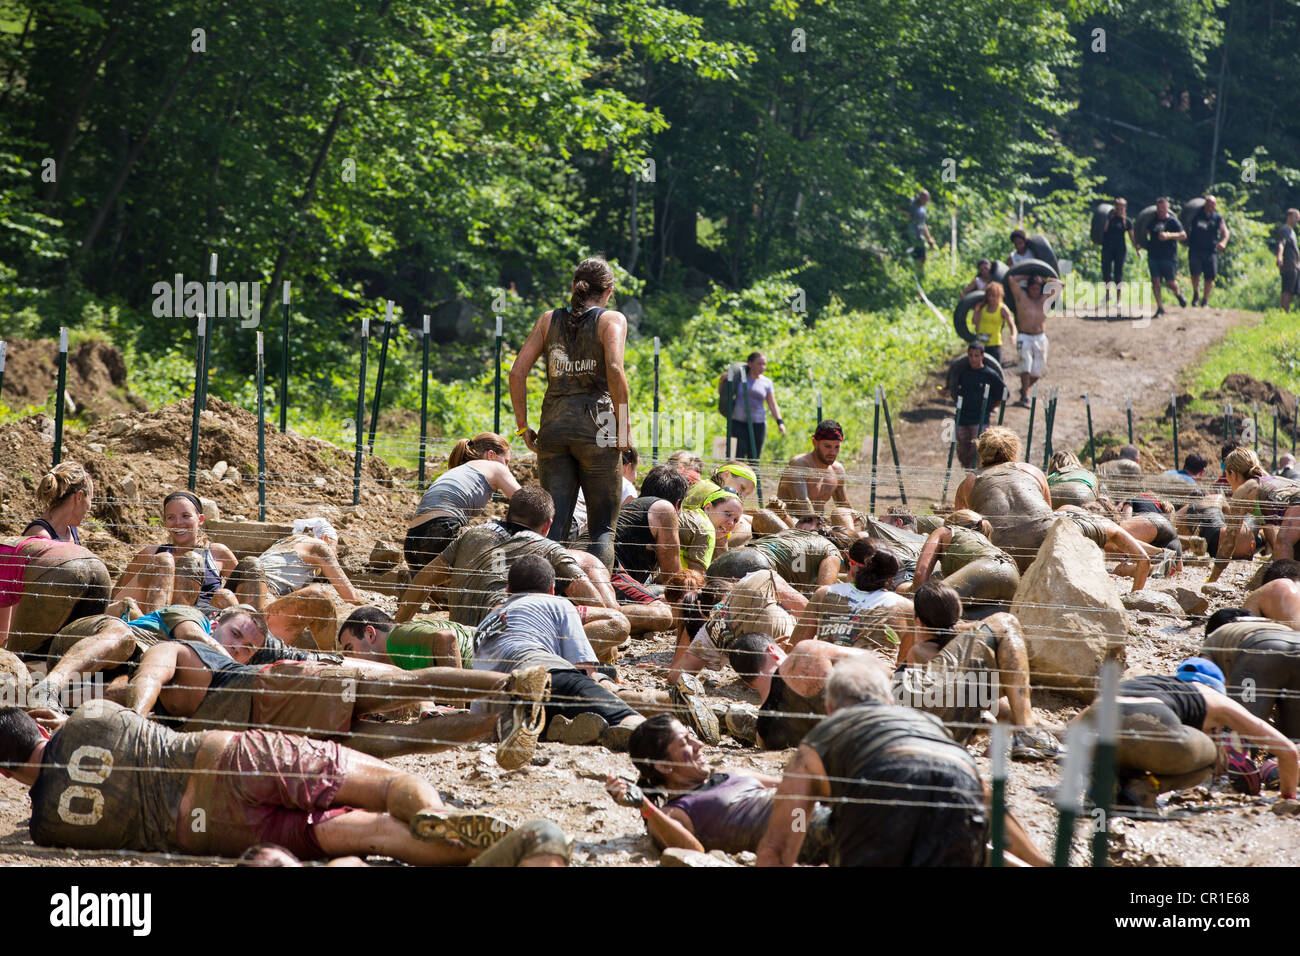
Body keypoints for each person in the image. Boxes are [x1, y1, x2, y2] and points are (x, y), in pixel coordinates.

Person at [0, 700, 568, 865]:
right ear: (40, 724)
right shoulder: (89, 716)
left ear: (5, 772)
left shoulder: (47, 828)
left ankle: (458, 851)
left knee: (365, 834)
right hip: (222, 759)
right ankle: (436, 813)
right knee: (386, 784)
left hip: (204, 831)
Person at [120, 604, 551, 767]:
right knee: (397, 742)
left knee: (400, 690)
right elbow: (123, 692)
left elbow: (146, 680)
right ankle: (505, 721)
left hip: (275, 692)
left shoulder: (174, 650)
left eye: (246, 641)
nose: (240, 647)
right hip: (278, 734)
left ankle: (515, 684)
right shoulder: (170, 705)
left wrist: (131, 725)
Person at [756, 659, 1049, 866]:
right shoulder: (929, 724)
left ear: (830, 708)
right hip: (960, 794)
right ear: (890, 702)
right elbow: (986, 797)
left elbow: (779, 846)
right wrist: (1036, 859)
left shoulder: (821, 738)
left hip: (881, 810)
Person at [472, 556, 715, 750]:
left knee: (568, 702)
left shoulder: (486, 623)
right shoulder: (558, 604)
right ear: (553, 588)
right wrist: (603, 686)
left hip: (499, 704)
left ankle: (559, 728)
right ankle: (661, 738)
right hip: (542, 672)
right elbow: (584, 669)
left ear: (507, 590)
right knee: (616, 708)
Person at [395, 486, 635, 660]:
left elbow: (425, 578)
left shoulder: (472, 534)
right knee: (617, 622)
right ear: (548, 525)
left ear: (507, 514)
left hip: (463, 646)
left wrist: (399, 623)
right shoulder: (549, 548)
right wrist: (607, 653)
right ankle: (553, 661)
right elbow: (594, 601)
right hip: (512, 651)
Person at [509, 257, 630, 569]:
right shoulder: (611, 320)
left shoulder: (549, 320)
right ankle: (597, 594)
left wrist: (523, 427)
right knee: (603, 528)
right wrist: (623, 428)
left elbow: (517, 372)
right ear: (610, 290)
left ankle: (548, 588)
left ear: (574, 286)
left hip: (554, 425)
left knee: (556, 521)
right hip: (599, 426)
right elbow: (615, 369)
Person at [1072, 657, 1298, 809]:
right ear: (1217, 687)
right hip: (1150, 722)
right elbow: (1287, 751)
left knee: (1129, 746)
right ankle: (1144, 788)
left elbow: (1073, 729)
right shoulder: (1215, 699)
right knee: (1213, 755)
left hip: (1096, 723)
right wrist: (1287, 799)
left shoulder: (1146, 682)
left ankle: (1107, 780)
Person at [605, 714, 831, 860]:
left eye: (691, 736)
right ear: (664, 766)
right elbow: (692, 852)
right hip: (803, 831)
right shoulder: (673, 813)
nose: (699, 744)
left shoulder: (732, 772)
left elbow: (803, 788)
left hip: (814, 816)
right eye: (685, 743)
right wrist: (644, 805)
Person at [896, 581, 1060, 759]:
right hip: (938, 721)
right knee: (1008, 700)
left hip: (932, 722)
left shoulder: (922, 650)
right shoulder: (929, 651)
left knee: (1006, 708)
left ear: (918, 620)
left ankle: (1040, 735)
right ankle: (1029, 732)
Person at [225, 522, 359, 651]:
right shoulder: (320, 546)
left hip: (244, 598)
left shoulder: (282, 544)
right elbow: (351, 597)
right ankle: (330, 659)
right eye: (335, 550)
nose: (335, 555)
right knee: (319, 597)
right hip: (265, 600)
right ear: (325, 538)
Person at [404, 433, 520, 575]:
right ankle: (499, 588)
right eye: (506, 462)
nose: (507, 468)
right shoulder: (496, 467)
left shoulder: (460, 470)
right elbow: (528, 503)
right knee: (500, 543)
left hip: (412, 545)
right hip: (442, 535)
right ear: (491, 455)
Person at [668, 566, 807, 683]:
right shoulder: (751, 581)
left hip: (762, 666)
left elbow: (674, 676)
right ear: (730, 586)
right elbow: (806, 609)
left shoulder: (709, 632)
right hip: (791, 643)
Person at [112, 491, 237, 618]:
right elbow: (116, 596)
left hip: (207, 622)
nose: (178, 522)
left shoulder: (218, 553)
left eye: (185, 516)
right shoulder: (152, 554)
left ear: (200, 519)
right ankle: (156, 625)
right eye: (171, 517)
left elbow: (241, 595)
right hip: (160, 622)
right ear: (165, 522)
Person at [953, 427, 1055, 572]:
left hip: (998, 559)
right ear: (1014, 450)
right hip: (1044, 549)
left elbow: (960, 529)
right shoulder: (1033, 471)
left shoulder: (969, 482)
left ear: (981, 451)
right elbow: (1048, 512)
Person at [790, 540, 914, 652]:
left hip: (828, 673)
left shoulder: (824, 594)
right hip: (877, 674)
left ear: (852, 566)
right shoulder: (905, 607)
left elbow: (795, 647)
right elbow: (905, 661)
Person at [0, 536, 111, 661]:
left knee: (19, 659)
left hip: (59, 570)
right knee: (77, 655)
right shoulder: (10, 545)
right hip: (97, 566)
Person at [1202, 607, 1300, 740]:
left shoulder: (1214, 637)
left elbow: (1204, 685)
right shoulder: (1273, 626)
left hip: (1260, 650)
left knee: (1242, 731)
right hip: (1296, 640)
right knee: (1294, 740)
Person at [1209, 447, 1300, 580]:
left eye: (1226, 475)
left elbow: (1229, 542)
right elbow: (1269, 529)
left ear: (1232, 473)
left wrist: (1212, 579)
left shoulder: (1243, 493)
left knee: (1283, 543)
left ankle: (1288, 592)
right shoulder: (1268, 479)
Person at [913, 510, 1019, 609]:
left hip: (987, 567)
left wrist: (916, 600)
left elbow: (920, 574)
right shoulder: (983, 542)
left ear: (950, 524)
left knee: (927, 603)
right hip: (1012, 571)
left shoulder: (945, 531)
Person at [338, 605, 477, 671]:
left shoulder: (394, 638)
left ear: (370, 634)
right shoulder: (397, 655)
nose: (349, 659)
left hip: (489, 662)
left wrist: (457, 703)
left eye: (349, 649)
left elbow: (446, 638)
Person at [1055, 505, 1153, 591]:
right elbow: (1144, 560)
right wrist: (1134, 596)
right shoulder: (1112, 528)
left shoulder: (1067, 507)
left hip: (1047, 530)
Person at [775, 420, 852, 525]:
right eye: (827, 446)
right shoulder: (800, 464)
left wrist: (864, 520)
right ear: (815, 443)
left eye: (837, 447)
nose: (833, 452)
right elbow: (803, 503)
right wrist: (821, 528)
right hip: (790, 524)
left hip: (817, 525)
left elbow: (844, 506)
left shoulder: (837, 470)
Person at [719, 351, 785, 462]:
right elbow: (724, 393)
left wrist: (780, 422)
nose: (762, 367)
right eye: (759, 363)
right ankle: (736, 478)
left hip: (758, 424)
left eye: (764, 364)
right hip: (738, 423)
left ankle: (752, 478)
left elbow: (772, 403)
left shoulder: (766, 382)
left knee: (754, 456)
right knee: (738, 455)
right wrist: (724, 380)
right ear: (750, 364)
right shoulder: (739, 379)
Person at [951, 342, 1006, 469]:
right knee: (962, 452)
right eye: (970, 355)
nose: (973, 359)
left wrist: (990, 407)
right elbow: (952, 389)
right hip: (962, 419)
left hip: (980, 420)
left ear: (982, 356)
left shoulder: (990, 374)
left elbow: (1004, 395)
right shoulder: (962, 373)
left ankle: (976, 476)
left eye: (976, 355)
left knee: (977, 451)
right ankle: (968, 473)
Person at [1006, 273, 1053, 406]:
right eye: (1032, 288)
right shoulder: (1021, 296)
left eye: (1037, 289)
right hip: (1024, 335)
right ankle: (1025, 396)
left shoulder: (1045, 298)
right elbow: (1011, 279)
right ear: (1028, 288)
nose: (1035, 291)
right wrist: (1026, 275)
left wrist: (1046, 278)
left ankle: (1023, 389)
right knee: (1025, 365)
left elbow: (1060, 284)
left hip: (1040, 337)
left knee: (1037, 371)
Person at [23, 461, 94, 545]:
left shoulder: (71, 531)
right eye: (90, 499)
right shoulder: (40, 537)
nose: (90, 507)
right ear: (79, 496)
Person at [1144, 196, 1188, 317]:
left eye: (1164, 208)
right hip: (1153, 256)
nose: (1161, 211)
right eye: (1159, 208)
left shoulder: (1172, 221)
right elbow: (1144, 232)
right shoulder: (1152, 221)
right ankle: (1160, 307)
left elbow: (1183, 235)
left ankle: (1178, 294)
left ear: (1167, 208)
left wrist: (1168, 236)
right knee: (1155, 281)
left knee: (1170, 283)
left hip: (1168, 257)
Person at [1186, 195, 1229, 307]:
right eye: (1209, 203)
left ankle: (1205, 300)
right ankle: (1196, 293)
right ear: (1205, 204)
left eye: (1213, 204)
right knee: (1195, 273)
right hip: (1195, 249)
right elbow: (1185, 224)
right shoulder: (1196, 214)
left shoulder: (1217, 217)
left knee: (1210, 276)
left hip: (1210, 250)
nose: (1211, 206)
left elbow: (1225, 232)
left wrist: (1223, 242)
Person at [1100, 198, 1140, 308]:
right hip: (1107, 248)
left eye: (1122, 207)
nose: (1120, 209)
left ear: (1125, 208)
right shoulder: (1110, 219)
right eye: (1118, 207)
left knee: (1118, 274)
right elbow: (1104, 230)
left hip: (1120, 250)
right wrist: (1108, 217)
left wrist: (1137, 249)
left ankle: (1118, 299)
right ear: (1115, 207)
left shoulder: (1127, 221)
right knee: (1106, 272)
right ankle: (1108, 295)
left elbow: (1132, 237)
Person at [970, 282, 1016, 367]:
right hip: (981, 343)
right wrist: (976, 310)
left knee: (995, 368)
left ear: (999, 296)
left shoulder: (1002, 309)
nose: (991, 298)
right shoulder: (982, 307)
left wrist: (1013, 335)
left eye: (994, 296)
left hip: (995, 343)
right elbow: (974, 322)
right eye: (989, 295)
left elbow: (1011, 323)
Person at [906, 189, 938, 273]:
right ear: (920, 197)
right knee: (909, 256)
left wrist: (929, 238)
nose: (925, 202)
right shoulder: (912, 205)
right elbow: (899, 209)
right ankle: (909, 273)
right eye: (924, 199)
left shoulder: (923, 210)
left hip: (918, 236)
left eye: (927, 200)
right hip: (910, 235)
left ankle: (919, 274)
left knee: (922, 257)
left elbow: (923, 225)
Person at [1278, 208, 1300, 312]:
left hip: (1294, 266)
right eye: (1296, 217)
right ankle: (1284, 312)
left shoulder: (1292, 232)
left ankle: (1286, 312)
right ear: (1289, 217)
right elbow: (1281, 244)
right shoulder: (1285, 230)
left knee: (1291, 292)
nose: (1298, 220)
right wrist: (1279, 257)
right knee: (1287, 290)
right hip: (1289, 265)